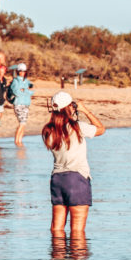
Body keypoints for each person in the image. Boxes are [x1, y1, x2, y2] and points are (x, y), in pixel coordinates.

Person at [41, 91, 105, 236]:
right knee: (77, 231)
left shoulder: (48, 131)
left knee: (56, 229)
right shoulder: (77, 127)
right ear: (69, 107)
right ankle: (77, 259)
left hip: (57, 179)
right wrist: (84, 110)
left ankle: (57, 257)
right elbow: (101, 129)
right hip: (77, 178)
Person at [9, 63, 32, 147]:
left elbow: (31, 91)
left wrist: (24, 90)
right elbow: (16, 92)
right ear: (18, 71)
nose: (22, 73)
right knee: (22, 123)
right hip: (18, 104)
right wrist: (26, 91)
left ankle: (19, 141)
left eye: (24, 71)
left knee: (23, 123)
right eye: (20, 71)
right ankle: (17, 141)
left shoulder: (26, 81)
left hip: (26, 103)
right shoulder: (15, 81)